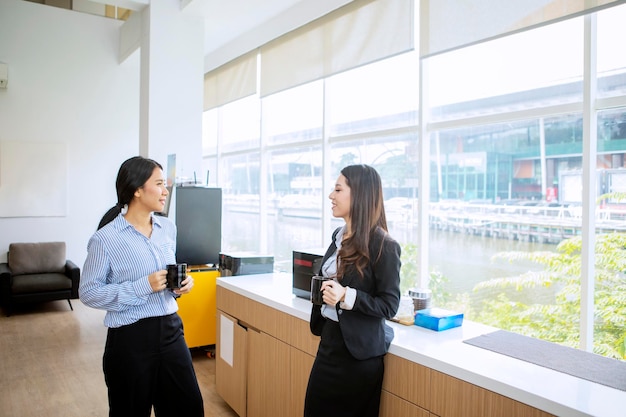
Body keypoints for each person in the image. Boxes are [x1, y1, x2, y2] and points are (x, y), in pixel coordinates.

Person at [79, 156, 204, 417]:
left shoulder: (167, 229)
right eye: (159, 184)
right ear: (137, 189)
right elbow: (88, 293)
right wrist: (141, 287)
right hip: (129, 340)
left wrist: (180, 286)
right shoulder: (105, 240)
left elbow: (169, 277)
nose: (165, 190)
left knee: (188, 408)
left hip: (172, 331)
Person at [304, 164, 401, 417]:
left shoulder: (384, 245)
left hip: (358, 356)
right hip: (329, 342)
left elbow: (389, 306)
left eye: (338, 189)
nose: (331, 196)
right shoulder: (338, 235)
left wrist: (346, 295)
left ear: (359, 195)